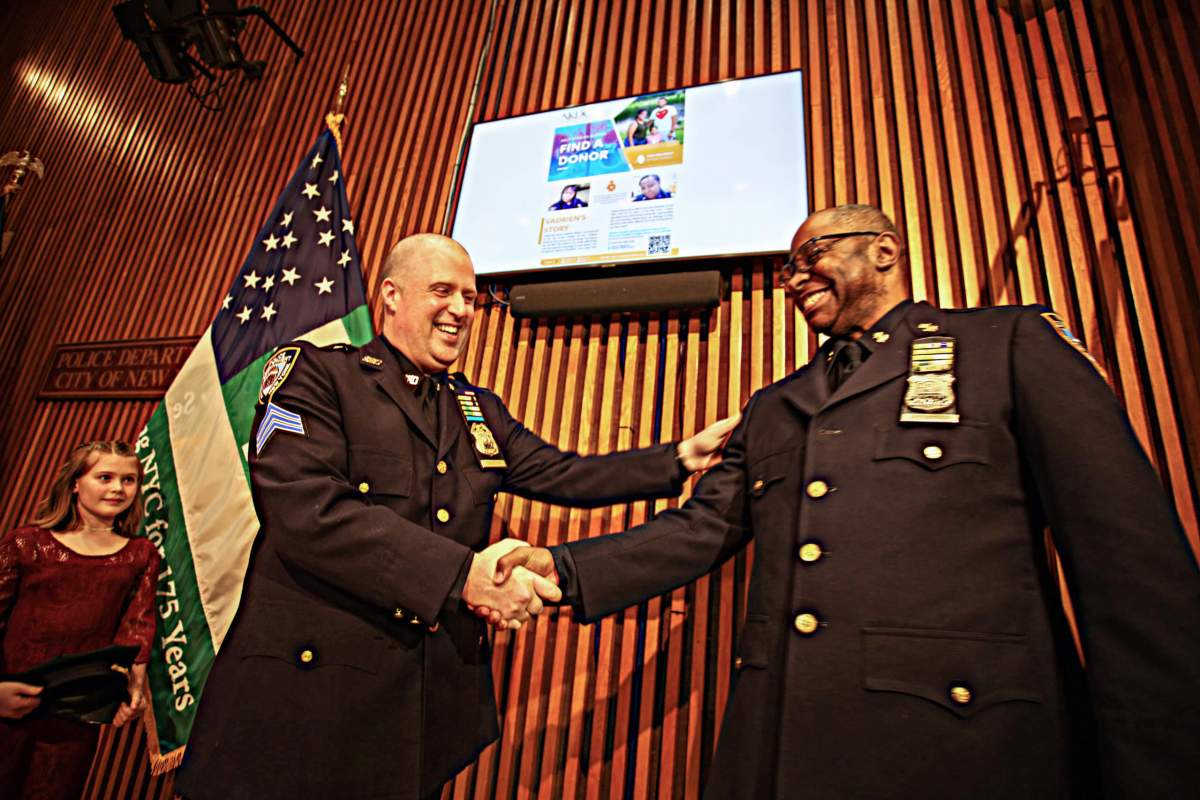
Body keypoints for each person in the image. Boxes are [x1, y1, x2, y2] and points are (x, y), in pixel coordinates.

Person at [494, 205, 1200, 798]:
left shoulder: (1008, 345)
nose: (795, 280)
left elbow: (1130, 572)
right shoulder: (775, 405)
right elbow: (702, 527)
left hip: (963, 749)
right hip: (778, 747)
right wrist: (562, 567)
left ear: (885, 250)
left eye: (812, 257)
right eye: (788, 270)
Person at [175, 233, 737, 800]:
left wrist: (679, 458)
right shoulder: (317, 375)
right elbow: (308, 512)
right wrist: (461, 576)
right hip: (305, 705)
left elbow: (565, 474)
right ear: (391, 296)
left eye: (470, 297)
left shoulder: (477, 410)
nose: (462, 310)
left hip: (416, 712)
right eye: (442, 291)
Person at [0, 440, 159, 800]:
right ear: (75, 482)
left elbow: (136, 629)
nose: (118, 488)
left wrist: (131, 692)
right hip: (7, 703)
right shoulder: (27, 543)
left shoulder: (140, 555)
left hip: (74, 716)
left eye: (129, 480)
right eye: (105, 477)